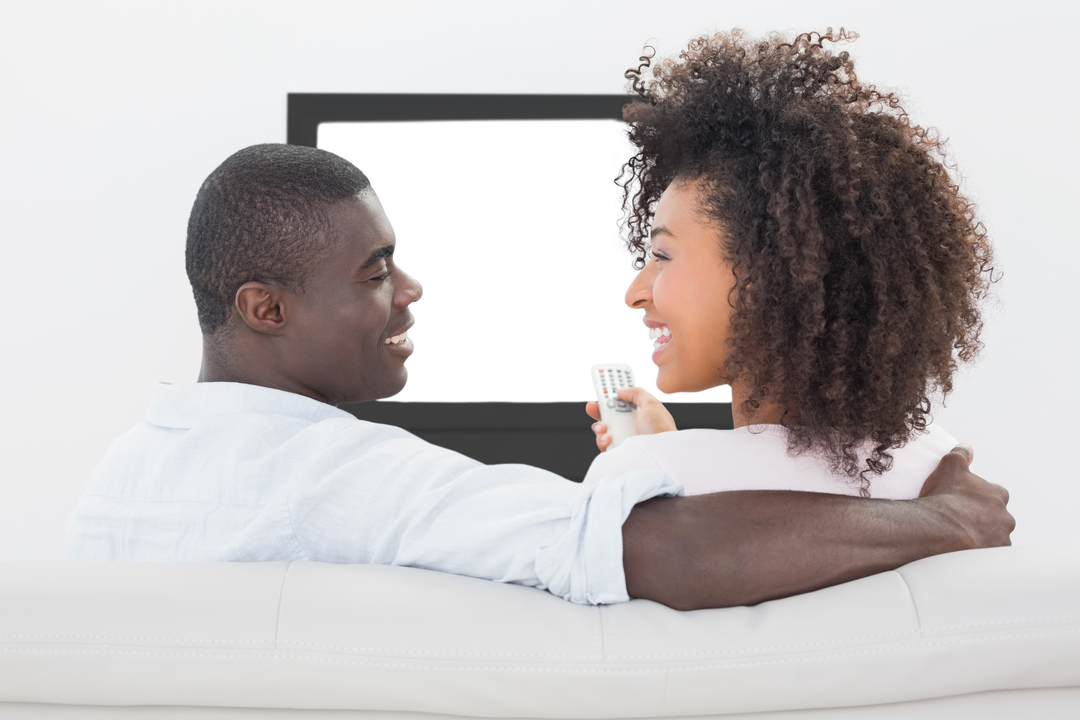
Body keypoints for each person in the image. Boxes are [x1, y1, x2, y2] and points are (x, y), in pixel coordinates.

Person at [66, 140, 1012, 612]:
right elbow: (655, 552)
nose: (413, 287)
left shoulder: (119, 479)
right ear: (264, 308)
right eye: (374, 271)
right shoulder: (351, 481)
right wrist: (944, 518)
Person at [585, 28, 999, 501]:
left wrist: (648, 466)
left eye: (662, 256)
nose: (632, 292)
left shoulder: (643, 476)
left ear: (768, 278)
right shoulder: (942, 471)